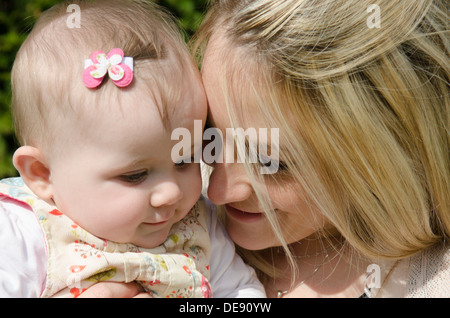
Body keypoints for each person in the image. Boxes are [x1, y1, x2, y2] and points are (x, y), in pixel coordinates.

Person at [0, 0, 265, 298]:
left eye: (186, 159)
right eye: (136, 175)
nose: (171, 193)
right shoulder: (20, 231)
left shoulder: (198, 224)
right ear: (43, 173)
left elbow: (243, 292)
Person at [193, 0, 449, 297]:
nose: (216, 191)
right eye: (208, 137)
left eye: (269, 163)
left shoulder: (429, 285)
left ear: (380, 155)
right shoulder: (166, 209)